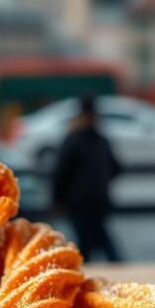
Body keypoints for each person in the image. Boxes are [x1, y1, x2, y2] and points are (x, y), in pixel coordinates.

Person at [52, 96, 121, 262]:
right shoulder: (101, 140)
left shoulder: (73, 139)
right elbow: (116, 167)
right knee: (99, 237)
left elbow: (61, 171)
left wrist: (57, 198)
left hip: (78, 200)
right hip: (100, 198)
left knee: (89, 239)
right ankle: (116, 264)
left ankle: (88, 268)